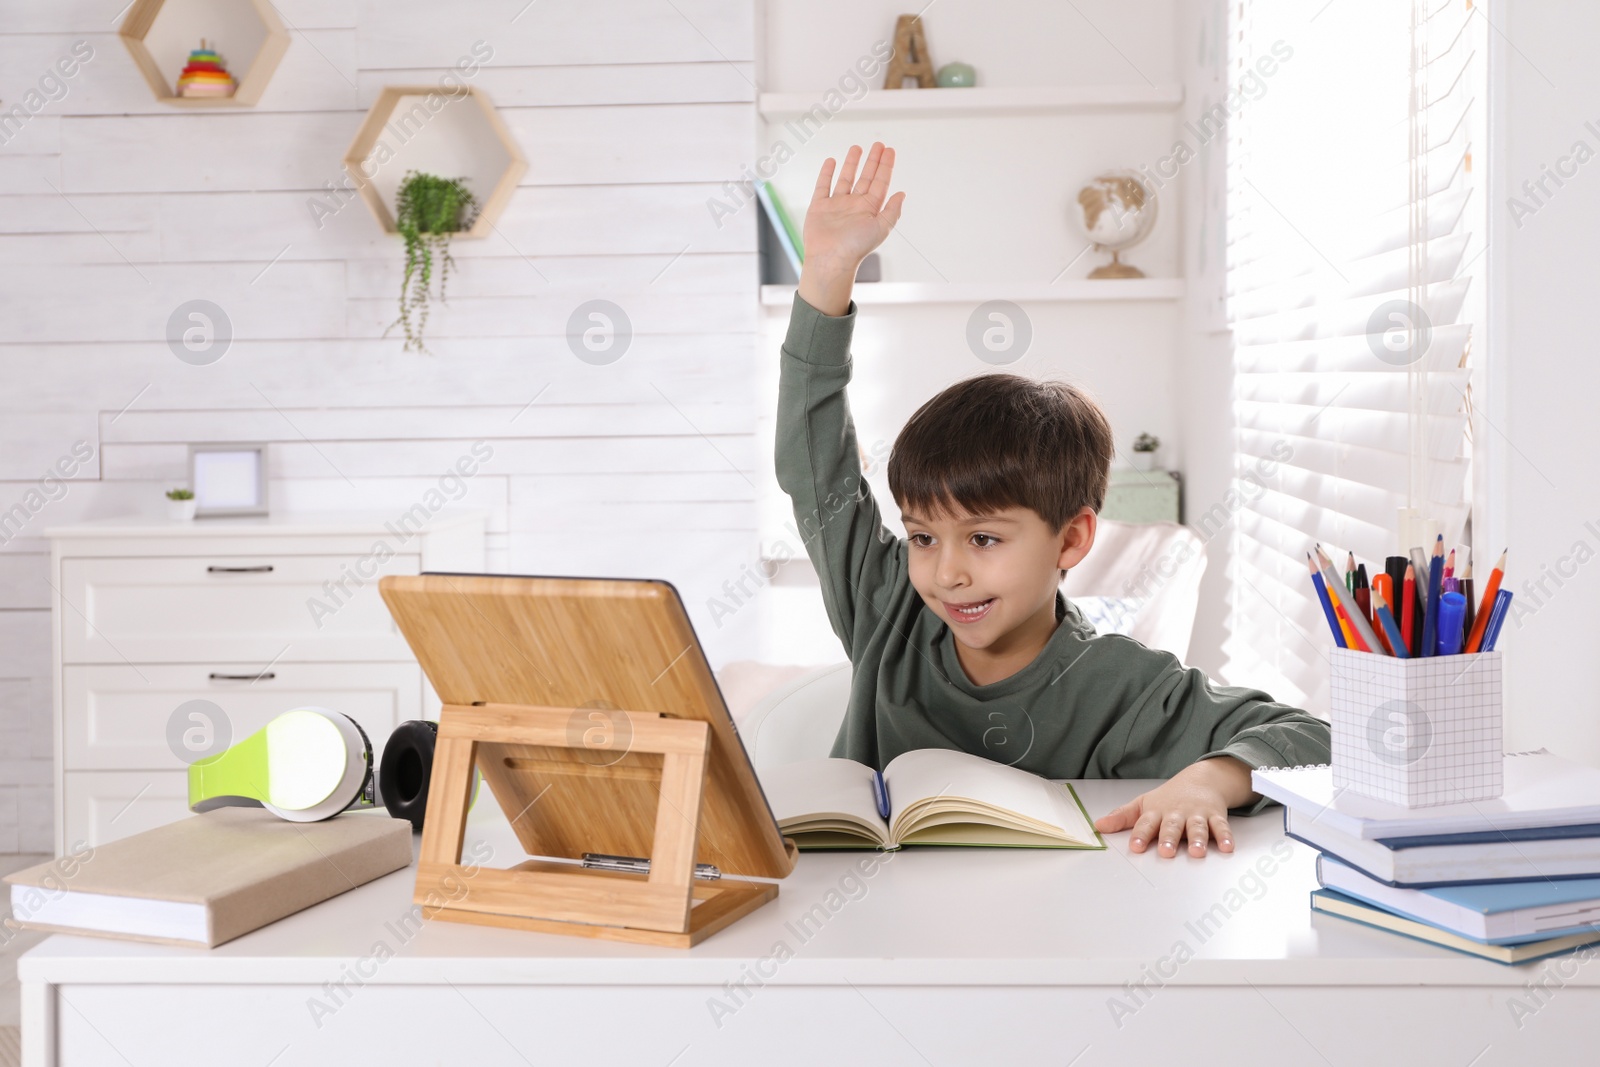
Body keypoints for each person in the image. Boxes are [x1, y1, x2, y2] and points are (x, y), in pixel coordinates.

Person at [775, 142, 1330, 860]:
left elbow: (1311, 737)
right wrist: (827, 273)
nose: (947, 574)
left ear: (1071, 540)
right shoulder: (887, 612)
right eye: (921, 537)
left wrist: (1207, 780)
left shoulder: (1125, 685)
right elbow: (811, 464)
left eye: (983, 539)